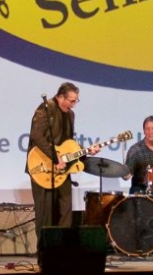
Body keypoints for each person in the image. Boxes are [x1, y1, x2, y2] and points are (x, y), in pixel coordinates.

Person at [25, 82, 98, 246]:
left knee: (66, 209)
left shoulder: (70, 115)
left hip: (63, 169)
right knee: (46, 212)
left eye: (76, 101)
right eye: (71, 101)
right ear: (60, 97)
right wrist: (54, 156)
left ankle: (62, 248)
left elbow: (67, 144)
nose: (73, 105)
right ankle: (44, 251)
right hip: (42, 166)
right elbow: (36, 135)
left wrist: (85, 152)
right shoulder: (46, 108)